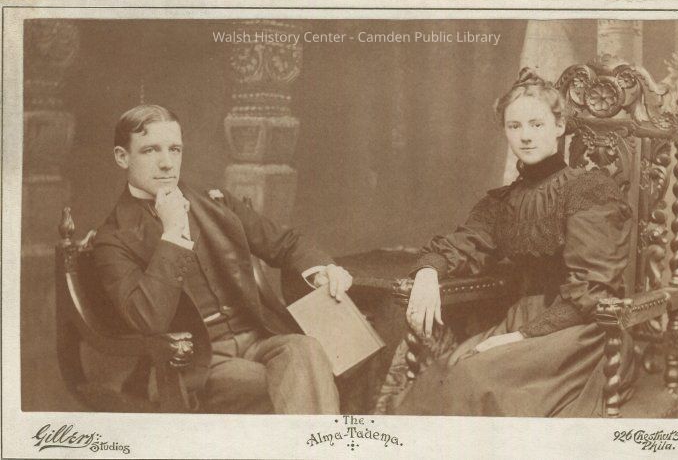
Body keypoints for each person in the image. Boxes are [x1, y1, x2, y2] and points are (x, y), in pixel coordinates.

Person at [396, 69, 634, 417]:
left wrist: (521, 336)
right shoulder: (502, 202)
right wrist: (429, 272)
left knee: (472, 378)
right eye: (514, 126)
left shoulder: (587, 190)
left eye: (536, 124)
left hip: (582, 332)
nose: (525, 136)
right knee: (441, 376)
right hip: (521, 319)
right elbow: (462, 244)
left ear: (559, 126)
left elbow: (594, 288)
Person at [93, 104, 352, 413]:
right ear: (122, 157)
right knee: (296, 381)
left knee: (307, 349)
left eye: (174, 149)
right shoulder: (113, 239)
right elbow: (148, 318)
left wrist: (324, 269)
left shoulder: (215, 204)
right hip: (195, 362)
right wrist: (172, 233)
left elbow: (286, 242)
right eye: (150, 150)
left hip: (258, 340)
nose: (166, 163)